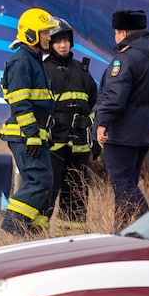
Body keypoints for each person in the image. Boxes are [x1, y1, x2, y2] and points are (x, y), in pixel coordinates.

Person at [94, 9, 149, 232]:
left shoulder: (125, 59)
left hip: (122, 132)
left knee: (122, 182)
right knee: (128, 183)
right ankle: (124, 231)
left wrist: (102, 123)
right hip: (146, 132)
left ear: (123, 32)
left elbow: (114, 97)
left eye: (116, 33)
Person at [0, 8, 59, 236]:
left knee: (42, 182)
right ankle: (12, 227)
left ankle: (31, 232)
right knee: (40, 182)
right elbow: (20, 103)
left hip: (35, 135)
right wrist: (32, 134)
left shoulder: (35, 60)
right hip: (25, 135)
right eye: (44, 33)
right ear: (31, 34)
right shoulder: (21, 62)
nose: (49, 37)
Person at [42, 17, 97, 234]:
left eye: (66, 40)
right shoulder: (43, 70)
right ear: (50, 43)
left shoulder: (82, 71)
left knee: (77, 194)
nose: (63, 45)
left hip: (80, 146)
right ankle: (38, 237)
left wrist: (93, 136)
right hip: (54, 144)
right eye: (57, 41)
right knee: (48, 191)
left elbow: (94, 104)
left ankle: (71, 238)